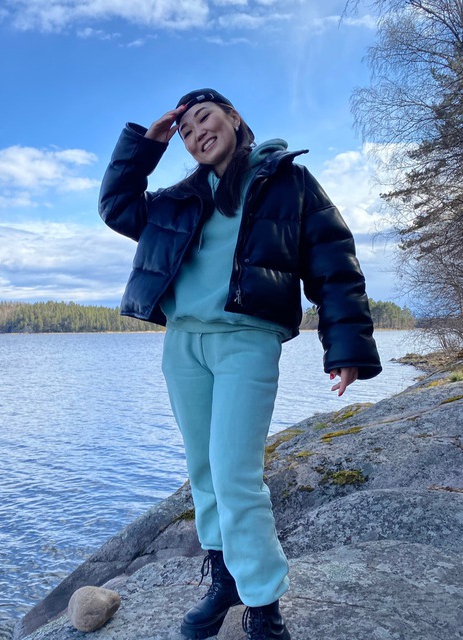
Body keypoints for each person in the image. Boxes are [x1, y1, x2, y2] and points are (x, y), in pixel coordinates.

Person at [98, 89, 382, 640]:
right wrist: (146, 147)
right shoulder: (180, 198)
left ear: (233, 118)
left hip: (247, 340)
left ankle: (264, 606)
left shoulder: (287, 181)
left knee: (236, 474)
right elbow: (117, 207)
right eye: (185, 132)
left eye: (204, 119)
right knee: (204, 471)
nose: (196, 134)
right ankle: (225, 579)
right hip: (184, 344)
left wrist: (345, 346)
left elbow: (333, 262)